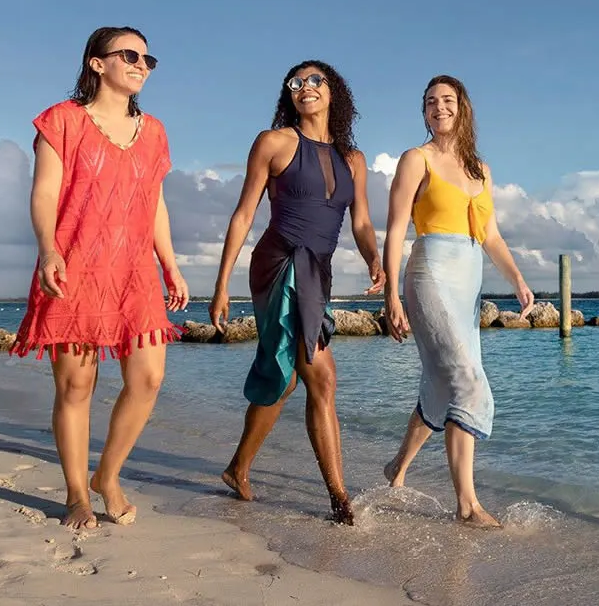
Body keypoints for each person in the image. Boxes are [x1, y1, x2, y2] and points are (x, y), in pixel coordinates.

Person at [11, 26, 190, 531]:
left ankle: (106, 475)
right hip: (73, 266)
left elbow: (154, 202)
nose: (141, 65)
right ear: (96, 63)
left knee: (149, 378)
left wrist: (170, 263)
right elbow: (45, 193)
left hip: (134, 272)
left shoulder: (153, 131)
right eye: (129, 55)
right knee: (76, 386)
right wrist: (47, 248)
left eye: (148, 59)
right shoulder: (62, 121)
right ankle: (76, 495)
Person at [210, 60, 383, 525]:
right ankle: (340, 498)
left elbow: (361, 221)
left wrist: (374, 257)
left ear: (334, 92)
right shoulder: (274, 143)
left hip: (318, 271)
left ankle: (237, 468)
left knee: (287, 376)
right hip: (280, 263)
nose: (304, 88)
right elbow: (244, 214)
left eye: (315, 81)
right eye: (296, 83)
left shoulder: (354, 160)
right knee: (321, 377)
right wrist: (222, 284)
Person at [380, 74, 533, 529]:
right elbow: (395, 230)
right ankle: (467, 505)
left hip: (469, 281)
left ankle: (397, 467)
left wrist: (519, 280)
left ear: (462, 108)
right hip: (429, 273)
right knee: (467, 379)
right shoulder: (416, 159)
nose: (439, 107)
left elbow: (490, 235)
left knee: (443, 385)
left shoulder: (480, 170)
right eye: (430, 101)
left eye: (447, 100)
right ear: (424, 112)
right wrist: (392, 292)